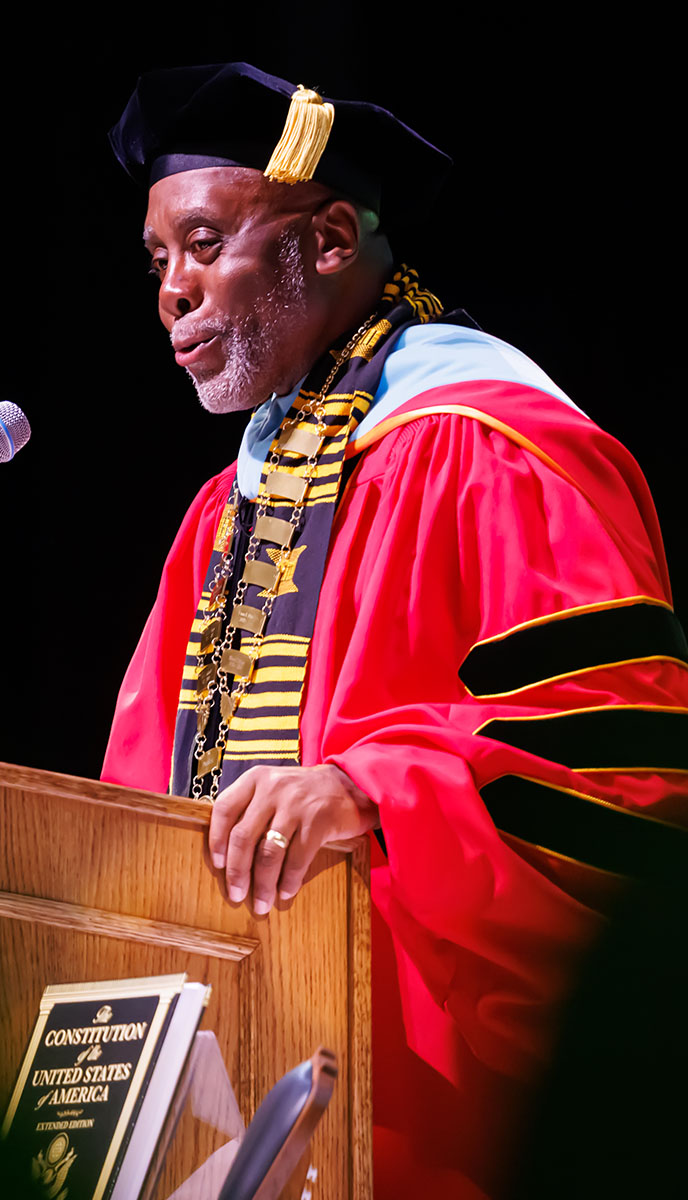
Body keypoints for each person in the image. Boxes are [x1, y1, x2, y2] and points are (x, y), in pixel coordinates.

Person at [101, 63, 688, 1199]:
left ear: (327, 240)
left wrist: (375, 792)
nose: (173, 290)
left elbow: (627, 780)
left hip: (440, 1093)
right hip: (224, 1089)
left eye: (208, 243)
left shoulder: (496, 447)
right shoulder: (225, 515)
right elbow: (132, 805)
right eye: (158, 259)